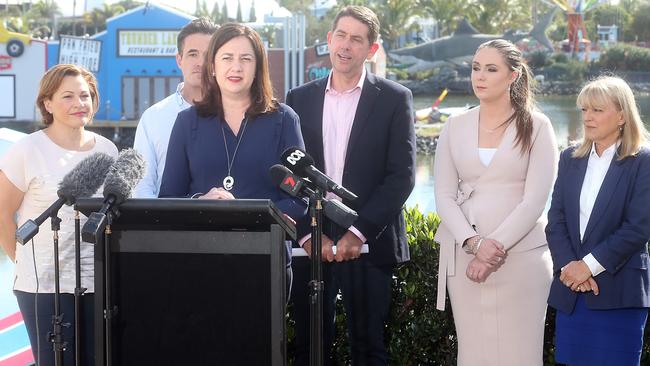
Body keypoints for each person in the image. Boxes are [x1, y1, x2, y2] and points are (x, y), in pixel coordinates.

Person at [285, 6, 416, 365]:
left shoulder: (393, 98)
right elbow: (289, 175)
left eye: (357, 39)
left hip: (369, 239)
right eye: (340, 35)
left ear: (371, 50)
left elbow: (401, 175)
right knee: (309, 349)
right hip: (311, 239)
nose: (346, 45)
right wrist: (308, 236)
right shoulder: (298, 99)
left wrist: (358, 233)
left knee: (369, 348)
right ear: (329, 40)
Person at [433, 39, 558, 366]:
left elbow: (534, 203)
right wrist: (474, 243)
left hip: (523, 262)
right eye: (476, 68)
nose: (480, 76)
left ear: (513, 75)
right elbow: (444, 196)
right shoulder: (453, 126)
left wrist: (493, 249)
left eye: (491, 69)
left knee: (521, 355)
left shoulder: (538, 127)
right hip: (463, 260)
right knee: (473, 353)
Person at [0, 64, 118, 366]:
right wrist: (22, 260)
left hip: (98, 283)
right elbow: (2, 213)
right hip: (43, 286)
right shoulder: (27, 150)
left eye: (85, 95)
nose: (79, 103)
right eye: (68, 96)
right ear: (47, 103)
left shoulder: (107, 150)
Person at [546, 76, 650, 366]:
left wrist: (587, 267)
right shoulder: (569, 158)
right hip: (572, 294)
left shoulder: (643, 160)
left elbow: (638, 227)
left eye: (597, 110)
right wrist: (570, 267)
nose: (588, 117)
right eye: (584, 110)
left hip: (619, 293)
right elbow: (556, 220)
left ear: (621, 116)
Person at [158, 22, 306, 222]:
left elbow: (298, 198)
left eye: (245, 59)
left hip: (265, 246)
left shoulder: (284, 119)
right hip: (202, 247)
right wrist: (200, 202)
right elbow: (168, 199)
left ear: (258, 68)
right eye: (227, 58)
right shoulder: (187, 122)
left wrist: (248, 214)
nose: (236, 67)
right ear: (212, 66)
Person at [133, 17, 218, 198]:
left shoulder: (233, 114)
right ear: (179, 60)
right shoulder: (154, 118)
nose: (200, 63)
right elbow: (142, 186)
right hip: (166, 222)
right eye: (193, 54)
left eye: (208, 55)